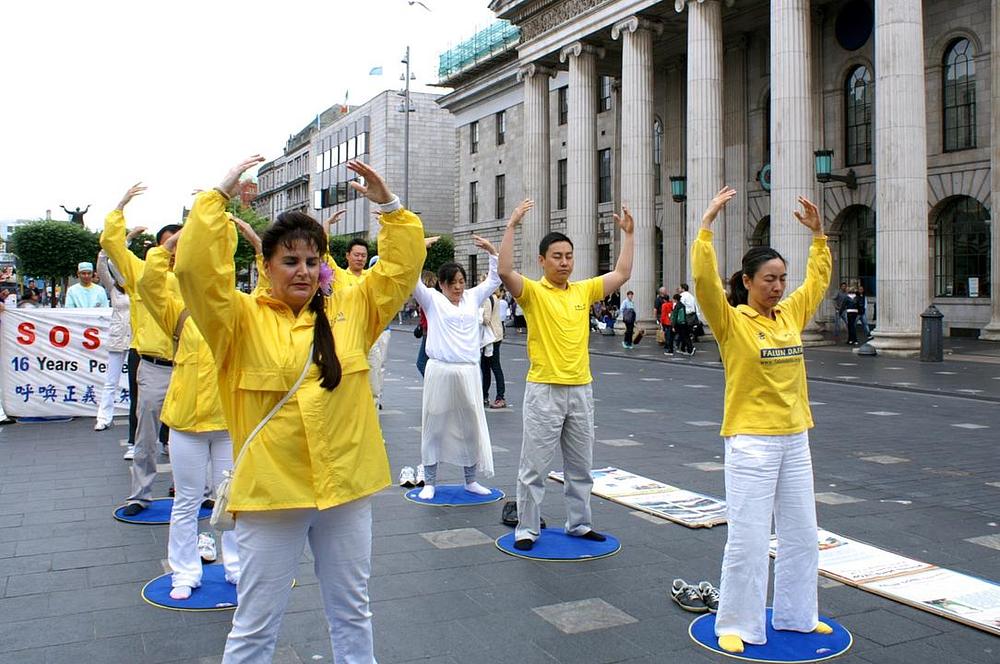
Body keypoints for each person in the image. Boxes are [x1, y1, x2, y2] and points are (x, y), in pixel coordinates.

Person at [174, 156, 424, 663]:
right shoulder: (236, 321)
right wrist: (216, 198)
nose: (304, 272)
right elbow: (196, 271)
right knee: (255, 623)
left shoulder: (352, 312)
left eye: (312, 261)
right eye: (290, 261)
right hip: (273, 496)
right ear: (266, 266)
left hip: (346, 489)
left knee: (353, 610)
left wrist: (391, 207)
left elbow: (400, 272)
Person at [692, 186, 833, 654]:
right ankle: (736, 621)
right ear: (748, 281)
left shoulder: (789, 314)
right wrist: (707, 226)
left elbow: (817, 282)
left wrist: (818, 236)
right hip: (751, 439)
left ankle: (798, 616)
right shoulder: (732, 321)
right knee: (749, 538)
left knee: (801, 535)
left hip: (796, 438)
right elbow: (705, 283)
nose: (778, 286)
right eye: (769, 278)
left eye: (782, 278)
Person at [498, 198, 634, 551]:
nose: (564, 262)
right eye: (557, 256)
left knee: (581, 466)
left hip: (581, 389)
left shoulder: (583, 290)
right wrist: (511, 226)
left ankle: (579, 524)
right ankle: (527, 528)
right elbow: (505, 272)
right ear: (542, 261)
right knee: (535, 467)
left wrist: (630, 236)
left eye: (568, 256)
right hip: (544, 389)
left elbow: (621, 274)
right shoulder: (532, 292)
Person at [138, 229, 242, 600]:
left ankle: (235, 566)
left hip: (229, 422)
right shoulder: (177, 311)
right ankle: (184, 571)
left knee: (232, 498)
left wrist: (247, 238)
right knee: (187, 499)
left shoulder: (238, 306)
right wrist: (167, 246)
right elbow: (148, 285)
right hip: (186, 422)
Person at [100, 185, 182, 512]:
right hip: (153, 366)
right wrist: (121, 205)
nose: (175, 249)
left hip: (191, 368)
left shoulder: (193, 276)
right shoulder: (141, 272)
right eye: (170, 243)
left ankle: (191, 488)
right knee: (147, 436)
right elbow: (110, 245)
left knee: (190, 435)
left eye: (181, 243)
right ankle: (140, 494)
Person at [414, 230, 502, 500]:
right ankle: (429, 480)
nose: (458, 287)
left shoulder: (473, 298)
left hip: (468, 370)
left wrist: (491, 252)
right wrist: (419, 250)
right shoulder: (432, 300)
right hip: (440, 368)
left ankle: (471, 479)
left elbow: (494, 279)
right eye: (452, 282)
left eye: (461, 281)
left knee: (470, 424)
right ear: (441, 284)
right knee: (434, 423)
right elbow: (412, 279)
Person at [94, 250, 131, 431]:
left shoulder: (139, 287)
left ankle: (138, 419)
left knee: (139, 382)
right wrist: (116, 244)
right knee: (111, 381)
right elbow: (103, 265)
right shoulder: (113, 289)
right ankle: (103, 417)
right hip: (118, 338)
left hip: (136, 339)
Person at [480, 286, 506, 409]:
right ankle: (487, 395)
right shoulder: (495, 298)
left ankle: (498, 397)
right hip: (496, 335)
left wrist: (477, 316)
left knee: (490, 367)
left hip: (490, 337)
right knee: (490, 366)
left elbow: (486, 319)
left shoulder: (487, 299)